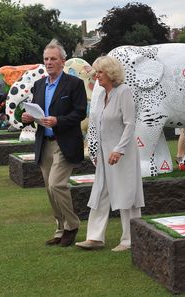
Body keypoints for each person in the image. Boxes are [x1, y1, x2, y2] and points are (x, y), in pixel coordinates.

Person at [21, 39, 87, 247]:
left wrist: (58, 120)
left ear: (62, 61)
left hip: (64, 142)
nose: (49, 62)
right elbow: (36, 110)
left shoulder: (74, 84)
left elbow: (79, 113)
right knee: (50, 190)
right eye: (46, 59)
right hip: (44, 142)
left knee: (56, 184)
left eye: (53, 59)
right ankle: (60, 229)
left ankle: (72, 225)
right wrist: (29, 117)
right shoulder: (39, 84)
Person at [76, 56, 144, 252]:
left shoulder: (124, 92)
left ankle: (130, 239)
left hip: (122, 153)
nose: (96, 76)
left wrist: (119, 149)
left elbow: (130, 124)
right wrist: (94, 148)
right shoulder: (99, 96)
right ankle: (95, 237)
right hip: (105, 155)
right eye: (96, 72)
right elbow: (96, 124)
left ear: (111, 73)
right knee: (100, 193)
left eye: (100, 72)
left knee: (127, 193)